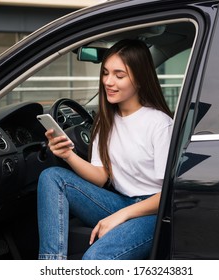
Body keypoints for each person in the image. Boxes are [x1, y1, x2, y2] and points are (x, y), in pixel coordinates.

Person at [37, 39, 173, 260]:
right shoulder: (106, 120)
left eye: (119, 76)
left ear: (139, 79)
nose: (108, 82)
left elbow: (170, 195)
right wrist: (68, 155)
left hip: (154, 213)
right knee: (52, 177)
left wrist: (122, 215)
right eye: (106, 73)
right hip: (120, 201)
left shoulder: (159, 123)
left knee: (94, 260)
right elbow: (101, 177)